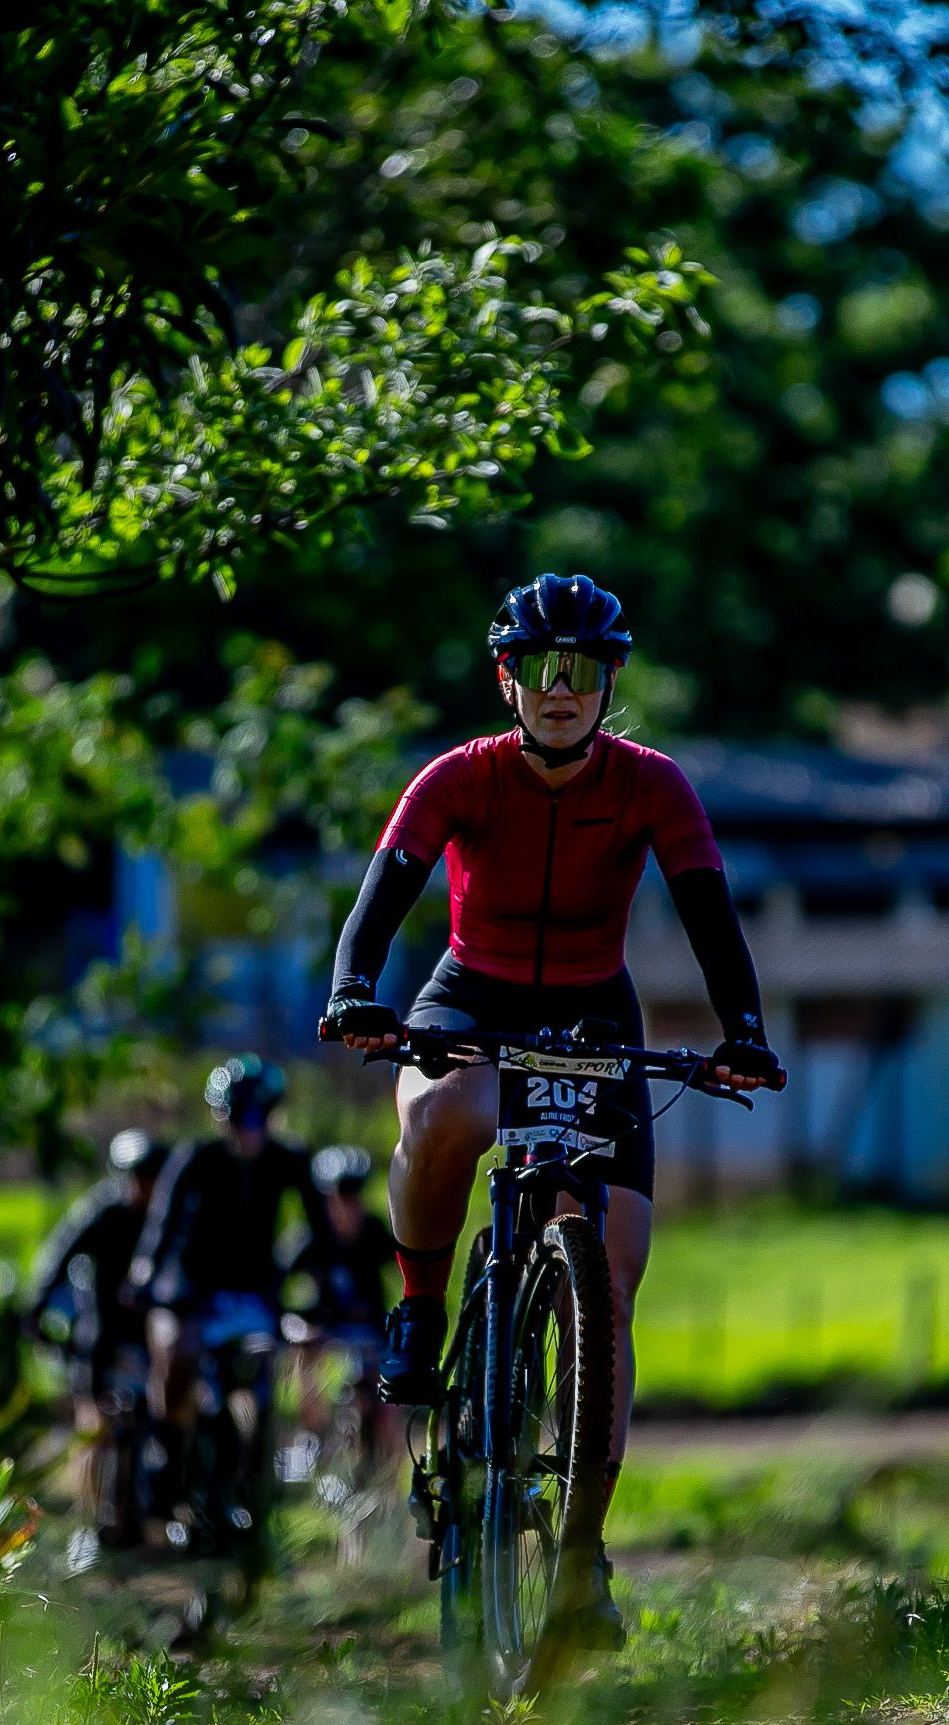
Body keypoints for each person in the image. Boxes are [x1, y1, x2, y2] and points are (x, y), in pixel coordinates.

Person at [316, 572, 781, 1648]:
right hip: (470, 998)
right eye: (539, 667)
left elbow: (709, 912)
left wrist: (745, 1028)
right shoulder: (459, 778)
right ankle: (421, 1305)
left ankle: (580, 1559)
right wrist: (352, 992)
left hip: (593, 1012)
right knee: (445, 1116)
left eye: (581, 669)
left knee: (610, 1277)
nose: (560, 687)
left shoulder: (653, 785)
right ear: (508, 680)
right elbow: (378, 904)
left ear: (609, 683)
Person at [126, 1055, 325, 1519]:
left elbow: (324, 1237)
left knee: (268, 1373)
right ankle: (166, 1457)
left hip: (256, 1295)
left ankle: (259, 1481)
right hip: (192, 1293)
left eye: (259, 1118)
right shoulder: (195, 1158)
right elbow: (159, 1231)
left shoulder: (291, 1161)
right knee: (177, 1357)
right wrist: (143, 1276)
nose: (247, 1131)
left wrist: (327, 1290)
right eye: (237, 1118)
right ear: (220, 1116)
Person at [26, 1129, 167, 1544]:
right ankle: (89, 1518)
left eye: (150, 1178)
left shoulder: (170, 1216)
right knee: (94, 1423)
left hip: (151, 1333)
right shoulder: (102, 1213)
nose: (143, 1188)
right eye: (137, 1178)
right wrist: (37, 1306)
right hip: (102, 1330)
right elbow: (59, 1257)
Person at [285, 1144, 397, 1468]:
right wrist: (296, 1324)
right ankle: (313, 1437)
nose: (348, 1205)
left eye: (354, 1195)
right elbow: (278, 1289)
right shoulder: (311, 1238)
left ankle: (386, 1471)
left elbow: (406, 1277)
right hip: (326, 1332)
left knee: (389, 1396)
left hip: (371, 1334)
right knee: (305, 1354)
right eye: (340, 1196)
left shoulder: (374, 1232)